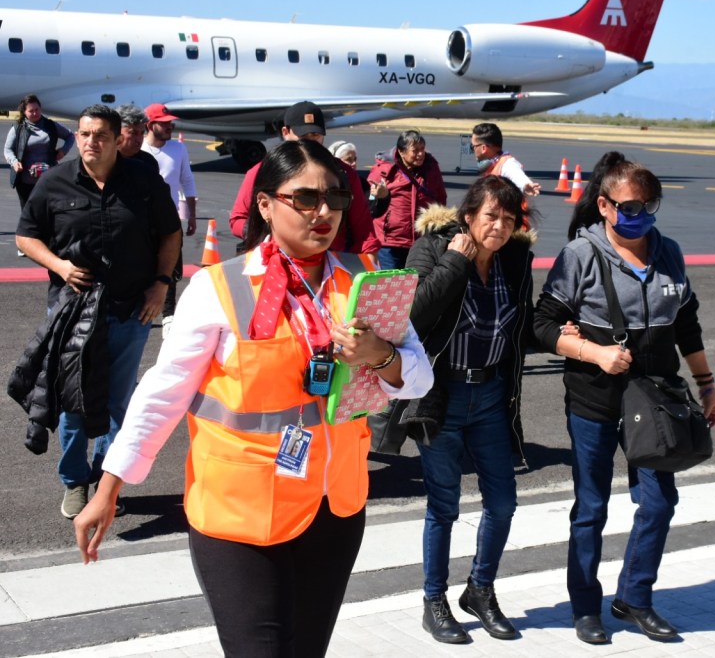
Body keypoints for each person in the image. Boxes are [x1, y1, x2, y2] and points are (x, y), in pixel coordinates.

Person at [73, 140, 433, 657]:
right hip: (237, 511)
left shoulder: (365, 280)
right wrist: (109, 486)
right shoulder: (219, 288)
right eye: (305, 199)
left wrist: (379, 356)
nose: (324, 212)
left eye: (335, 197)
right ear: (265, 204)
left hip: (332, 506)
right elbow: (162, 393)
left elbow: (419, 380)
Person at [533, 155, 715, 645]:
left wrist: (706, 384)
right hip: (595, 398)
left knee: (658, 504)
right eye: (631, 205)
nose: (640, 213)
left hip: (656, 402)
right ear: (605, 205)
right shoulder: (580, 255)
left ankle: (635, 597)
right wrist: (593, 352)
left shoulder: (670, 253)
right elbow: (542, 325)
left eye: (649, 204)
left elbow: (687, 323)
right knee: (591, 506)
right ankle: (584, 606)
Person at [14, 104, 181, 519]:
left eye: (101, 135)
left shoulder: (143, 182)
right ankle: (75, 482)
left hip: (130, 311)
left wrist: (160, 287)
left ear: (115, 138)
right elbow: (26, 236)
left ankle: (107, 480)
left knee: (118, 404)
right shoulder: (54, 182)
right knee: (74, 402)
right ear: (78, 136)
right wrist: (60, 266)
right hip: (74, 314)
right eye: (85, 134)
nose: (92, 142)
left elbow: (171, 233)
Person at [404, 176, 534, 644]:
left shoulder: (514, 259)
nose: (499, 226)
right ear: (468, 217)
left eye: (508, 218)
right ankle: (433, 600)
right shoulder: (434, 249)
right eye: (490, 216)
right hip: (442, 395)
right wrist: (456, 261)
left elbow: (524, 324)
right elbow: (412, 312)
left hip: (492, 396)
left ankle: (480, 589)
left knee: (503, 502)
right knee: (444, 505)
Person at [229, 102, 377, 259]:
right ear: (285, 132)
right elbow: (238, 219)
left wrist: (366, 268)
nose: (310, 142)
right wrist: (268, 232)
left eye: (315, 135)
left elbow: (364, 231)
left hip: (330, 265)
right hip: (274, 260)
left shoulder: (344, 173)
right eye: (303, 136)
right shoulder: (261, 171)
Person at [141, 103, 196, 336]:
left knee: (171, 267)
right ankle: (143, 308)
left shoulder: (178, 149)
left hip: (170, 219)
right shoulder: (139, 149)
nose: (169, 127)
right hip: (143, 219)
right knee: (143, 265)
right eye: (164, 124)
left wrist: (191, 214)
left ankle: (169, 314)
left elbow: (187, 180)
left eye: (170, 123)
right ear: (150, 125)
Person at [4, 94, 75, 255]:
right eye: (31, 111)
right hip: (25, 178)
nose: (35, 113)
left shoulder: (50, 126)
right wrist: (14, 162)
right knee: (28, 211)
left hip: (47, 177)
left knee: (48, 209)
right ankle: (24, 244)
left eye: (37, 109)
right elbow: (7, 149)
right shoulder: (18, 128)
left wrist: (63, 151)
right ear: (24, 112)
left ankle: (47, 242)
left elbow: (70, 136)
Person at [367, 129, 447, 269]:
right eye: (415, 150)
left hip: (422, 242)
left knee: (417, 285)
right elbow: (368, 206)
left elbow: (441, 198)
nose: (421, 154)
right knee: (392, 285)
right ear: (401, 152)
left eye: (422, 149)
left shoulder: (431, 167)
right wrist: (379, 196)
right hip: (391, 243)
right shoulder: (384, 170)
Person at [470, 123, 540, 197]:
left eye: (473, 146)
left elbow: (516, 175)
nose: (472, 150)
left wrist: (525, 185)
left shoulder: (507, 164)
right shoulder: (492, 166)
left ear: (483, 148)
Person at [115, 105, 159, 174]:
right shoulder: (103, 159)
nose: (139, 139)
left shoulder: (148, 162)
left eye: (142, 133)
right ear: (117, 131)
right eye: (133, 133)